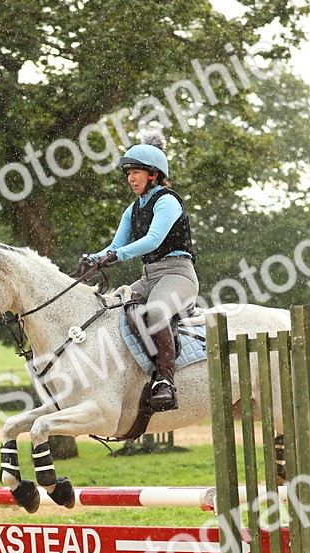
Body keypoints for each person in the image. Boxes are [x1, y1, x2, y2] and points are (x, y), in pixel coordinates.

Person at [80, 131, 197, 412]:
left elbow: (153, 240)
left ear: (153, 175)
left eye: (136, 173)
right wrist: (94, 258)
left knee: (155, 312)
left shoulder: (167, 201)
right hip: (149, 276)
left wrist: (115, 256)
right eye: (129, 174)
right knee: (111, 310)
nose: (131, 179)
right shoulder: (133, 209)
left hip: (178, 274)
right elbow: (116, 244)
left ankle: (165, 381)